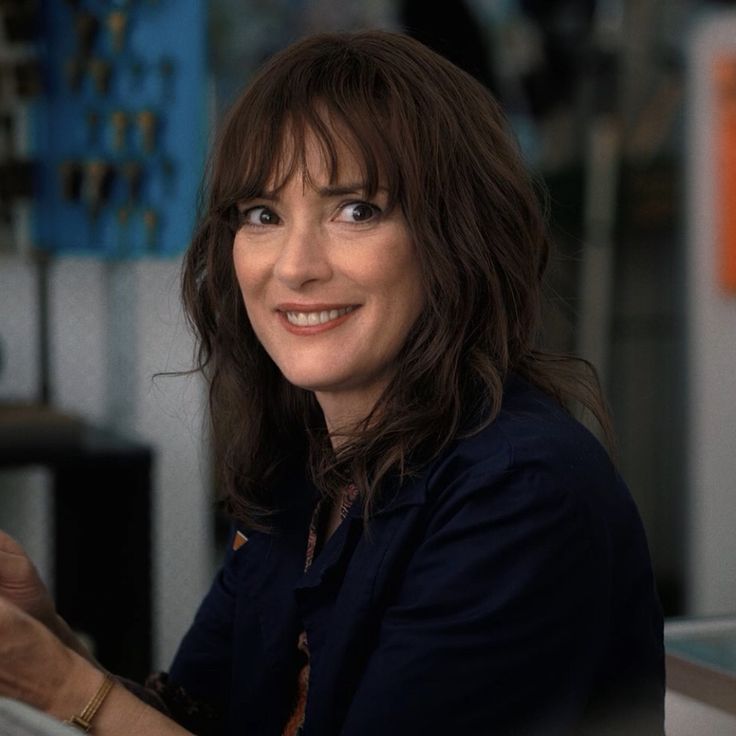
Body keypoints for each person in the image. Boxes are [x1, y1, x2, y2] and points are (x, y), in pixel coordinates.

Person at [0, 29, 664, 736]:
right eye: (263, 215)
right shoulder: (303, 472)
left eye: (356, 210)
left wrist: (62, 684)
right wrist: (41, 636)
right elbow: (197, 719)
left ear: (458, 237)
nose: (294, 266)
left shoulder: (521, 495)